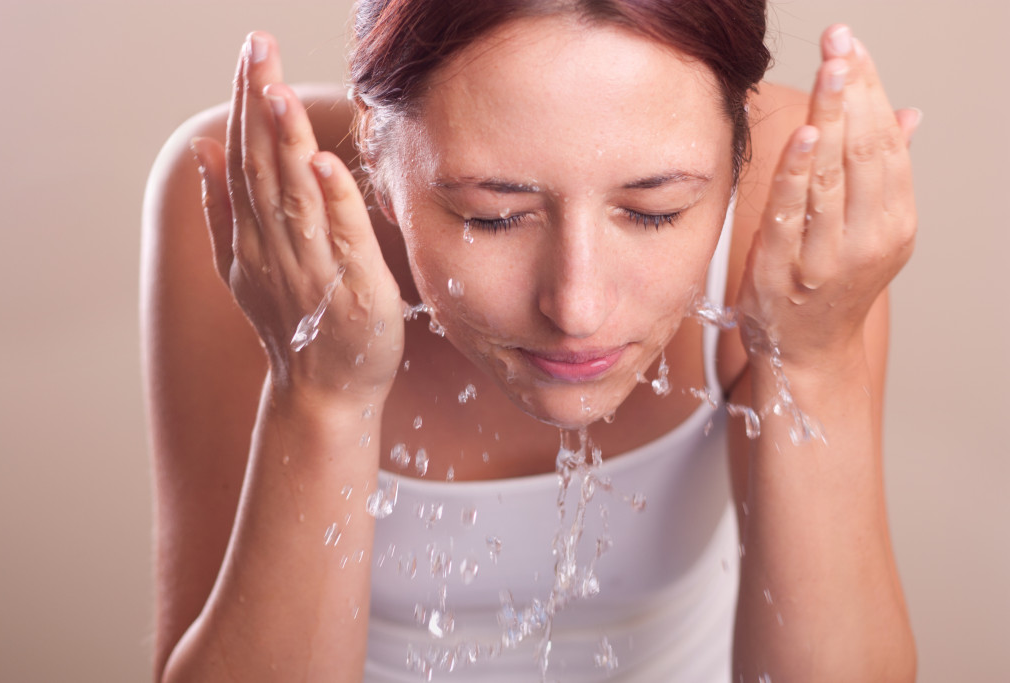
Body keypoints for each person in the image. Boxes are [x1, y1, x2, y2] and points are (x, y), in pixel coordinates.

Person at [141, 1, 919, 680]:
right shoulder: (264, 208)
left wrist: (815, 360)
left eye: (654, 210)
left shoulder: (794, 204)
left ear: (738, 155)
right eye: (493, 215)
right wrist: (322, 395)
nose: (576, 306)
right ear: (375, 152)